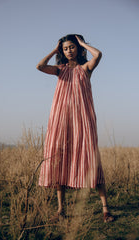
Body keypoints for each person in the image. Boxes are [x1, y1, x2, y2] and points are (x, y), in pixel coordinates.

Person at [36, 34, 114, 223]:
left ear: (78, 49)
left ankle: (105, 210)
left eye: (72, 47)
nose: (69, 50)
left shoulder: (85, 68)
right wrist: (55, 50)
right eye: (65, 48)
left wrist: (82, 43)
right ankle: (61, 210)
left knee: (92, 161)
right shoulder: (59, 70)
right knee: (59, 161)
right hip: (61, 120)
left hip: (83, 120)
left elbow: (99, 55)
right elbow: (39, 66)